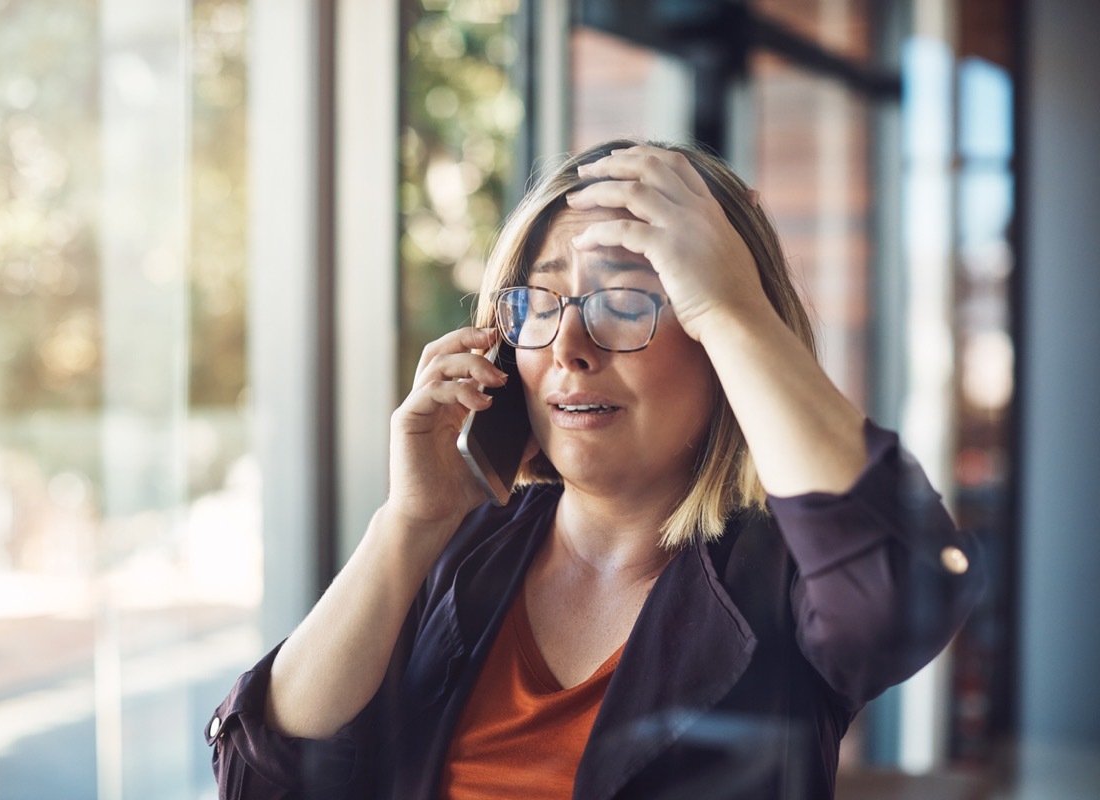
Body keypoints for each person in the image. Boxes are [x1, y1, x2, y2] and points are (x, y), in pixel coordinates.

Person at [205, 139, 984, 799]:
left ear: (721, 342)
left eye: (626, 300)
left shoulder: (781, 578)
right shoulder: (457, 552)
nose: (569, 348)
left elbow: (899, 592)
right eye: (540, 304)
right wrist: (406, 527)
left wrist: (734, 305)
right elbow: (262, 777)